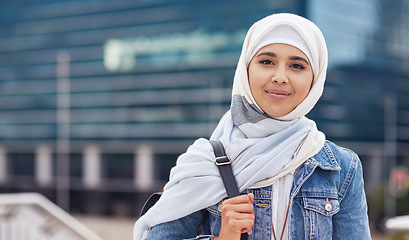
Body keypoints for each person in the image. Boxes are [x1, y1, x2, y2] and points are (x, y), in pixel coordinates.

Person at [133, 13, 371, 240]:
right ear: (245, 70)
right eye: (267, 61)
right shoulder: (203, 162)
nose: (280, 77)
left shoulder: (341, 168)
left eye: (297, 66)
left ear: (315, 78)